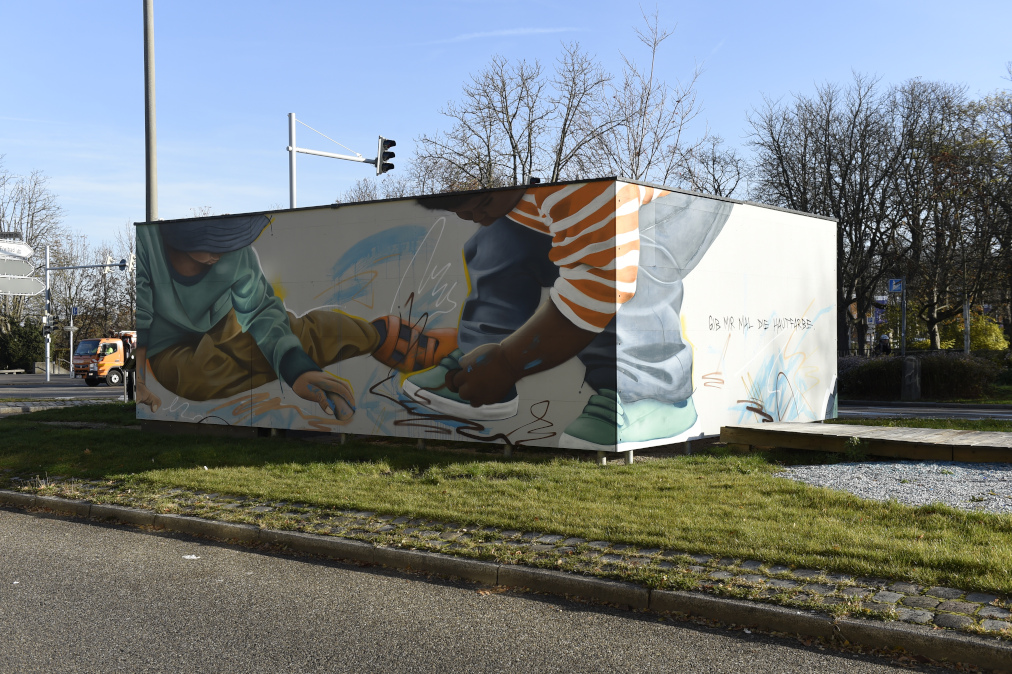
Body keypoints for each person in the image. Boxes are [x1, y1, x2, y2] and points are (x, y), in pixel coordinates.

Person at [403, 181, 732, 450]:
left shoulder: (583, 191)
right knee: (500, 237)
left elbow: (603, 285)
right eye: (461, 211)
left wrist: (508, 363)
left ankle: (655, 394)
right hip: (562, 201)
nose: (476, 216)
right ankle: (477, 366)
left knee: (638, 258)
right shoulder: (522, 190)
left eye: (484, 202)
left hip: (668, 203)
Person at [135, 213, 456, 420]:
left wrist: (297, 369)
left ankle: (378, 337)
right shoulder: (151, 247)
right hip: (171, 349)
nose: (220, 253)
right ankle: (368, 340)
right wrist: (139, 381)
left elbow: (262, 313)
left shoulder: (235, 255)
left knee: (287, 333)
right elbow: (144, 320)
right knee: (199, 377)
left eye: (229, 244)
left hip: (223, 320)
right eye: (212, 246)